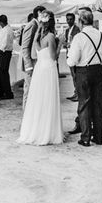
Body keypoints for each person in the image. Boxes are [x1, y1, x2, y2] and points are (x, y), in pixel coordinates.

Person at [17, 10, 64, 145]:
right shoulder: (50, 37)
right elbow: (54, 56)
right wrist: (60, 42)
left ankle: (37, 129)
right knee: (48, 99)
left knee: (38, 100)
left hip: (39, 69)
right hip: (49, 69)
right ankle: (48, 132)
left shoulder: (38, 36)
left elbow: (37, 54)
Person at [67, 8, 102, 147]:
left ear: (80, 21)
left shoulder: (79, 37)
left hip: (84, 71)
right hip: (100, 70)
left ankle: (85, 138)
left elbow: (71, 61)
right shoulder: (101, 35)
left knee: (84, 104)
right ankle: (98, 136)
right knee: (97, 104)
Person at [20, 5, 46, 110]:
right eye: (44, 13)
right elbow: (25, 46)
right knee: (29, 90)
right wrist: (28, 66)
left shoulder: (37, 24)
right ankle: (26, 115)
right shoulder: (32, 25)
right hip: (30, 64)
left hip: (35, 62)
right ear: (39, 13)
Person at [0, 14, 14, 100]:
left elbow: (4, 45)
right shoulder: (5, 29)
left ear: (1, 22)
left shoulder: (7, 30)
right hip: (3, 53)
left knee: (2, 73)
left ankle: (6, 93)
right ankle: (1, 92)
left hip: (4, 53)